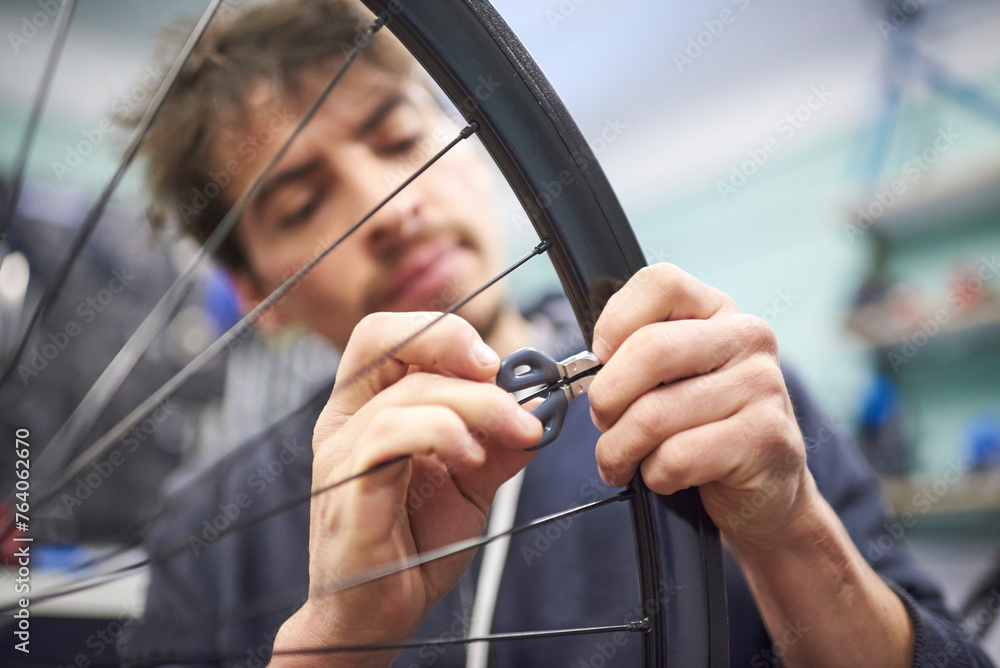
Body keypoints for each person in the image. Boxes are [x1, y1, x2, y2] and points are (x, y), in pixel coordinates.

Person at [118, 0, 993, 666]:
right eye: (303, 202)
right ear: (258, 290)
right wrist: (336, 637)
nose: (392, 207)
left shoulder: (709, 396)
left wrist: (790, 531)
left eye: (397, 140)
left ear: (466, 145)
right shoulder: (207, 537)